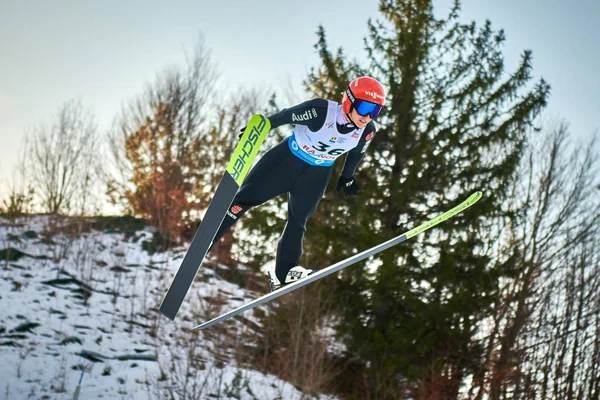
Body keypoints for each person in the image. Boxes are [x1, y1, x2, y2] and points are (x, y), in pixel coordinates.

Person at [211, 76, 386, 290]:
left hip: (316, 174)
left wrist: (347, 176)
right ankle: (210, 236)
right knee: (244, 200)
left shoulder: (367, 131)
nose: (368, 116)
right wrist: (259, 130)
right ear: (349, 101)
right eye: (365, 107)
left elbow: (356, 154)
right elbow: (285, 116)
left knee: (298, 220)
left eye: (375, 111)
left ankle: (285, 272)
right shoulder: (320, 111)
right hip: (286, 162)